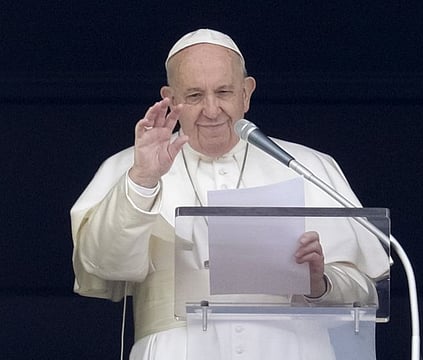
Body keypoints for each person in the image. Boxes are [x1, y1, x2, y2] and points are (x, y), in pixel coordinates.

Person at [71, 29, 389, 360]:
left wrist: (319, 284)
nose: (211, 110)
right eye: (194, 95)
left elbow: (366, 291)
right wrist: (143, 179)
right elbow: (103, 264)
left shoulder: (309, 166)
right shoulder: (130, 167)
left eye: (223, 92)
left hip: (292, 350)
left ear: (246, 93)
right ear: (170, 98)